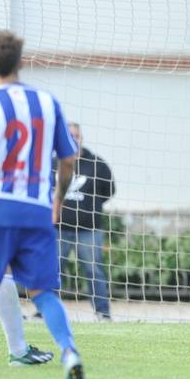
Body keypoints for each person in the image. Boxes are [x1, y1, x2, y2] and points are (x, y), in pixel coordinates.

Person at [0, 29, 86, 379]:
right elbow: (68, 160)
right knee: (42, 291)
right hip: (37, 208)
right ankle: (69, 352)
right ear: (21, 62)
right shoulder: (47, 102)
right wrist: (57, 199)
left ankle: (17, 349)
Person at [58, 122, 115, 321]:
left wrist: (88, 207)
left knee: (94, 270)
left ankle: (102, 313)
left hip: (89, 229)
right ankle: (45, 311)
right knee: (54, 268)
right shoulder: (53, 162)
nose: (73, 139)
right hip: (58, 228)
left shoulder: (97, 164)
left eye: (76, 135)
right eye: (69, 135)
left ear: (82, 138)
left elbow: (109, 191)